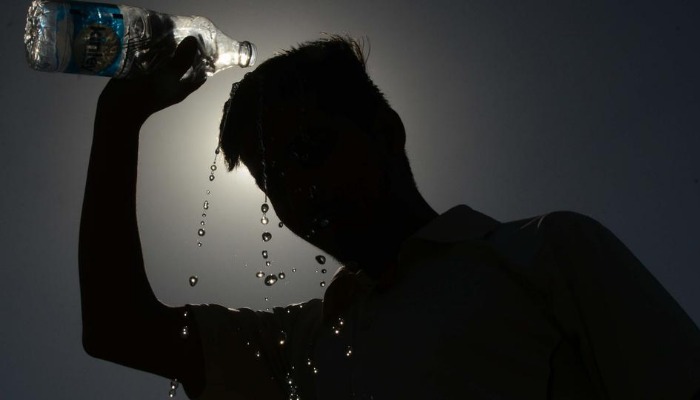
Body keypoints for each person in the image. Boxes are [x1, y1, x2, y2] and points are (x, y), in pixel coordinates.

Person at [80, 36, 700, 399]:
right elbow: (118, 328)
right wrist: (118, 119)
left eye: (310, 150)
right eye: (274, 183)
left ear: (386, 132)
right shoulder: (303, 348)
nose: (298, 190)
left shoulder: (548, 256)